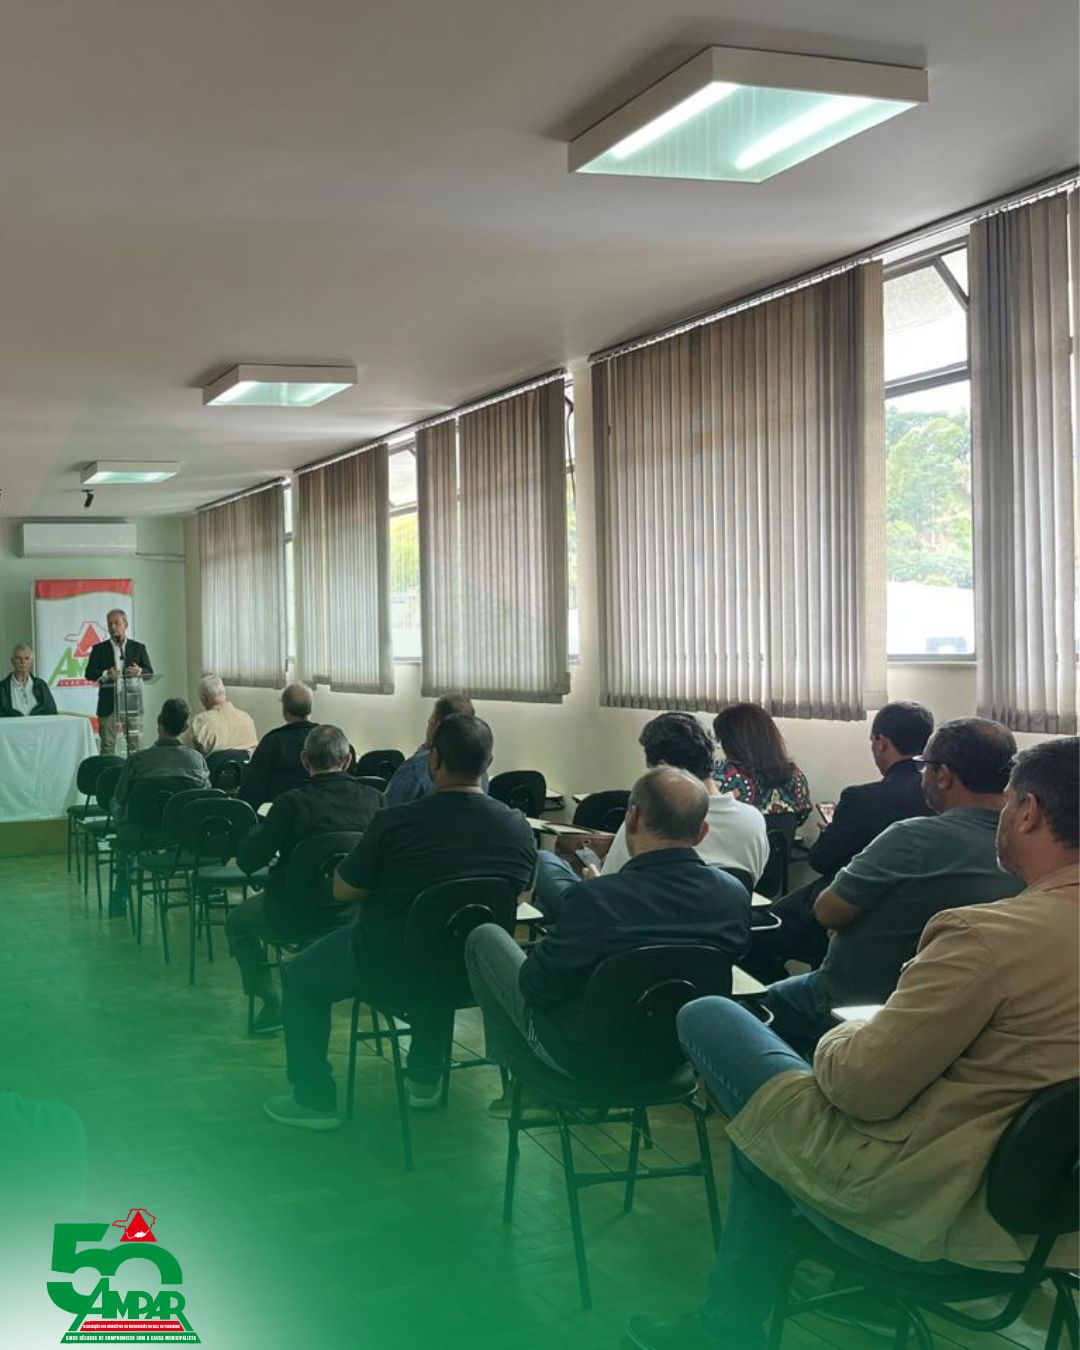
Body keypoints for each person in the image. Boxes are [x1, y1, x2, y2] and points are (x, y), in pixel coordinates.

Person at [626, 736, 1079, 1350]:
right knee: (771, 1132)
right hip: (1056, 1226)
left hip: (935, 1213)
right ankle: (727, 1319)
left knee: (713, 1017)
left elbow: (860, 1089)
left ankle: (725, 1325)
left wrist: (848, 1032)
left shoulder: (985, 937)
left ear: (1027, 813)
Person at [262, 714, 536, 1129]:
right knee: (442, 945)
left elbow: (344, 890)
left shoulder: (398, 822)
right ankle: (425, 1080)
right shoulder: (517, 826)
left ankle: (313, 1099)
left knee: (300, 977)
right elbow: (519, 895)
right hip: (472, 974)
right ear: (489, 762)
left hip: (389, 967)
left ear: (433, 760)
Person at [466, 766, 752, 1102]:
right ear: (702, 832)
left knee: (485, 938)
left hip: (583, 1060)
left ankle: (524, 1078)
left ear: (632, 818)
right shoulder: (733, 895)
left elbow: (536, 986)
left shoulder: (597, 900)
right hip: (678, 1055)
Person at [764, 717, 1024, 1052]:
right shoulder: (1030, 842)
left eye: (924, 767)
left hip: (859, 1002)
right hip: (969, 1013)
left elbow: (827, 911)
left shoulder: (912, 838)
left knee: (743, 1009)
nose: (921, 776)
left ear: (943, 776)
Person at [744, 701, 935, 983]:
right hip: (916, 907)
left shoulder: (862, 798)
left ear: (881, 742)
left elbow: (821, 861)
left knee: (767, 924)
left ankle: (779, 995)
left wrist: (831, 833)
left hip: (853, 901)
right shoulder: (938, 795)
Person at [533, 712, 768, 918]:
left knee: (545, 861)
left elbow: (609, 888)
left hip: (633, 932)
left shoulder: (646, 821)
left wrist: (594, 880)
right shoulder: (754, 820)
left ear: (663, 768)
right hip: (719, 936)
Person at [229, 725, 384, 1033]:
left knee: (236, 922)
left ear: (305, 760)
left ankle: (270, 1001)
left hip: (295, 914)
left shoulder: (290, 803)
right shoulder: (376, 801)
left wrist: (254, 834)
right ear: (348, 759)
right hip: (356, 915)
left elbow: (249, 860)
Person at [110, 698, 209, 918]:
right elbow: (204, 800)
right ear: (185, 727)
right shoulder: (196, 760)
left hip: (140, 832)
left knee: (115, 803)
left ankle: (121, 896)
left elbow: (121, 796)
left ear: (159, 722)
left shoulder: (138, 760)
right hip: (179, 833)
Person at [712, 703, 811, 825]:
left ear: (732, 742)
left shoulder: (720, 776)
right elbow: (802, 816)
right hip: (782, 838)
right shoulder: (796, 776)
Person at [384, 692, 487, 804]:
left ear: (437, 722)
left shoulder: (416, 768)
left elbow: (388, 808)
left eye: (431, 718)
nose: (428, 721)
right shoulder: (480, 772)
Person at [84, 610, 153, 754]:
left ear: (125, 625)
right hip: (108, 703)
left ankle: (134, 769)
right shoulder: (99, 649)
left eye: (117, 623)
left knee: (135, 745)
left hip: (132, 702)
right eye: (110, 624)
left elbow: (149, 673)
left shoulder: (138, 648)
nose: (113, 627)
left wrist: (139, 671)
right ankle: (109, 769)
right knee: (107, 745)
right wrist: (106, 674)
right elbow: (89, 673)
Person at [238, 683, 317, 809]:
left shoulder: (272, 742)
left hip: (280, 813)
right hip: (319, 813)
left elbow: (249, 791)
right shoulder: (326, 740)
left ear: (285, 711)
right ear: (310, 709)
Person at [184, 673, 257, 756]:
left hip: (210, 764)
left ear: (204, 699)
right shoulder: (247, 719)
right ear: (224, 694)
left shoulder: (198, 723)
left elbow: (187, 756)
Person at [0, 645, 57, 717]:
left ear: (31, 662)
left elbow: (51, 712)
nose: (22, 662)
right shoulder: (2, 687)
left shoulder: (41, 685)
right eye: (18, 658)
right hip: (13, 724)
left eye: (26, 658)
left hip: (38, 724)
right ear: (12, 661)